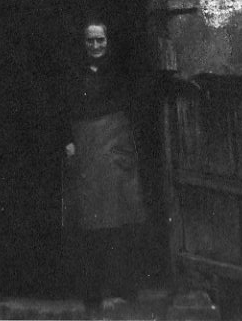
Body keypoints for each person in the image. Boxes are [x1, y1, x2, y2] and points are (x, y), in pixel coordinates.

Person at [62, 19, 146, 315]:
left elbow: (135, 106)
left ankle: (126, 290)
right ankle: (92, 297)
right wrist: (68, 141)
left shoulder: (120, 72)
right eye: (90, 41)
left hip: (116, 150)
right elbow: (62, 109)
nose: (96, 46)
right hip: (87, 152)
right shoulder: (74, 74)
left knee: (123, 219)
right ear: (83, 43)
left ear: (108, 41)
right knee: (90, 225)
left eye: (101, 40)